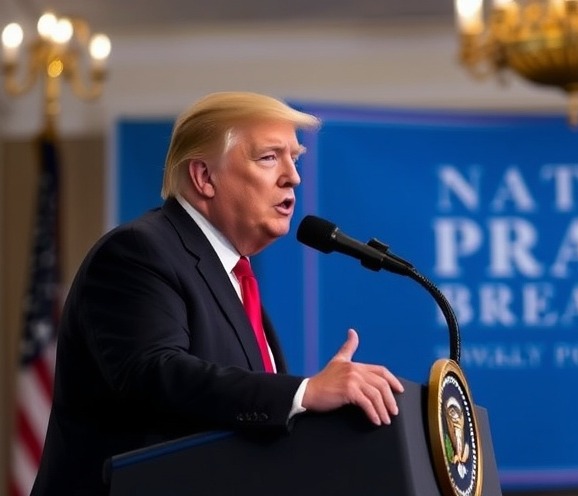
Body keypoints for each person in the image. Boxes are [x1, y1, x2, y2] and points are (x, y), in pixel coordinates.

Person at [30, 91, 405, 496]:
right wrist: (303, 392)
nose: (293, 176)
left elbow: (242, 423)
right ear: (204, 177)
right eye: (268, 157)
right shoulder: (138, 251)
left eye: (294, 158)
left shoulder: (235, 280)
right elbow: (154, 373)